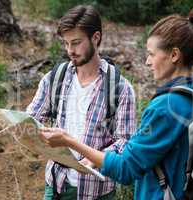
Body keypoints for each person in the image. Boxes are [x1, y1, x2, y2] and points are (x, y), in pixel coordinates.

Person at [39, 9, 193, 200]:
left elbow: (126, 168)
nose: (147, 61)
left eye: (152, 54)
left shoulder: (166, 107)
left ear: (174, 55)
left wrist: (69, 141)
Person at [26, 4, 136, 200]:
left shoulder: (120, 88)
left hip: (97, 191)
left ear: (96, 38)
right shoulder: (55, 78)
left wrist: (94, 160)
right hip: (56, 184)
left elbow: (125, 142)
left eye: (76, 43)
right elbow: (31, 118)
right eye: (66, 43)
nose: (70, 50)